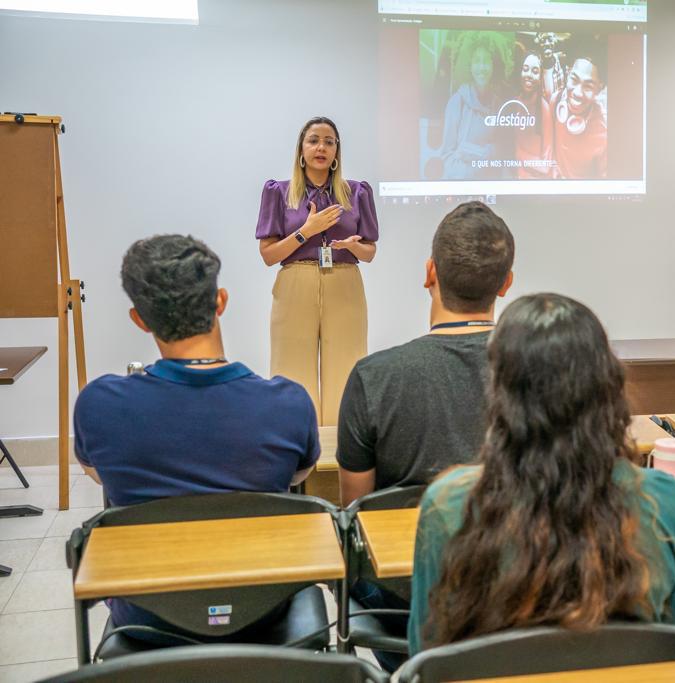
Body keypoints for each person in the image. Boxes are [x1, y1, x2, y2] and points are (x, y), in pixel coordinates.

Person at [408, 293, 675, 655]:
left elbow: (428, 655)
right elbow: (672, 643)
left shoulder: (448, 504)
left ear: (500, 393)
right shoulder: (665, 501)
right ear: (607, 384)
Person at [73, 234, 319, 643]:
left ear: (140, 319)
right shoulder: (288, 402)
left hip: (147, 619)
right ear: (220, 300)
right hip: (266, 613)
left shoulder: (99, 404)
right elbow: (300, 474)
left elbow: (98, 474)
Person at [336, 201, 515, 505]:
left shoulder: (373, 378)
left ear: (430, 273)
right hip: (518, 550)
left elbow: (356, 515)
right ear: (505, 284)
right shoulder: (542, 373)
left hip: (403, 551)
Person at [256, 116, 378, 426]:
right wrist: (306, 232)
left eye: (329, 141)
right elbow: (269, 256)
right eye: (313, 140)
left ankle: (342, 458)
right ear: (301, 149)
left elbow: (370, 252)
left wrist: (352, 246)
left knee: (347, 369)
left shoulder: (357, 192)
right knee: (292, 371)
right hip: (296, 280)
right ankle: (297, 458)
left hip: (345, 282)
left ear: (337, 151)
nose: (321, 147)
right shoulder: (279, 192)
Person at [440, 32, 514, 180]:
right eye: (477, 61)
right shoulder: (457, 102)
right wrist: (475, 169)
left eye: (486, 61)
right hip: (461, 186)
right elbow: (447, 156)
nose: (482, 67)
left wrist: (491, 152)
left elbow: (501, 150)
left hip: (490, 189)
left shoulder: (499, 105)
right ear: (470, 65)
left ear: (494, 65)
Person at [550, 55, 607, 179]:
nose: (577, 93)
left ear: (599, 89)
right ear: (568, 73)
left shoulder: (604, 135)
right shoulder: (556, 101)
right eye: (574, 80)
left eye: (588, 86)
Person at [515, 52, 553, 179]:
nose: (529, 75)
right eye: (525, 69)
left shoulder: (544, 108)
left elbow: (546, 166)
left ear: (541, 76)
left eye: (535, 71)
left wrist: (515, 152)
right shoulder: (513, 103)